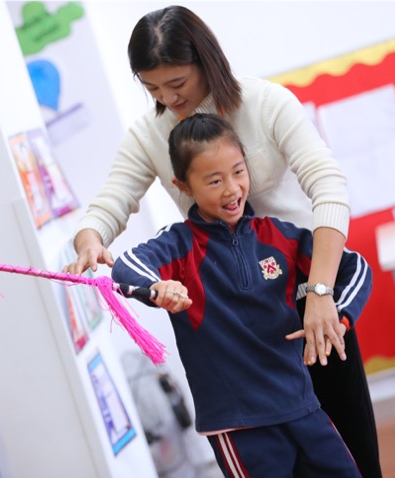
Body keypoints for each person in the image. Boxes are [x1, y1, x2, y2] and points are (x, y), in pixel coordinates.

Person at [63, 7, 378, 474]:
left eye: (177, 84)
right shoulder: (152, 133)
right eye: (152, 88)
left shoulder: (266, 102)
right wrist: (90, 238)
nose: (168, 99)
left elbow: (328, 186)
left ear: (205, 62)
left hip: (309, 296)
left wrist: (320, 293)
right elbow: (111, 202)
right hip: (238, 324)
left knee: (348, 453)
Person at [113, 114, 370, 477]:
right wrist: (158, 288)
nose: (232, 189)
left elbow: (355, 268)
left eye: (238, 172)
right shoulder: (178, 245)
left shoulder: (280, 236)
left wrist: (336, 316)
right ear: (183, 186)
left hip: (304, 406)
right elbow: (127, 266)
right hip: (238, 425)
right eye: (214, 180)